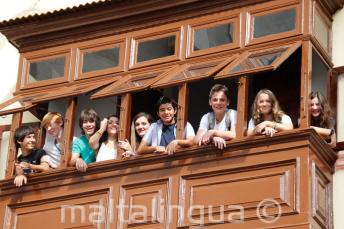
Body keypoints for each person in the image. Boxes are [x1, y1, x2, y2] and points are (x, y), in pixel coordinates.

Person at [194, 84, 237, 149]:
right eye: (215, 100)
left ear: (228, 102)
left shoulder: (232, 113)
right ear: (210, 102)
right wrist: (212, 138)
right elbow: (196, 140)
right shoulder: (207, 117)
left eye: (222, 100)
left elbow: (234, 134)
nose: (218, 103)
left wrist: (213, 132)